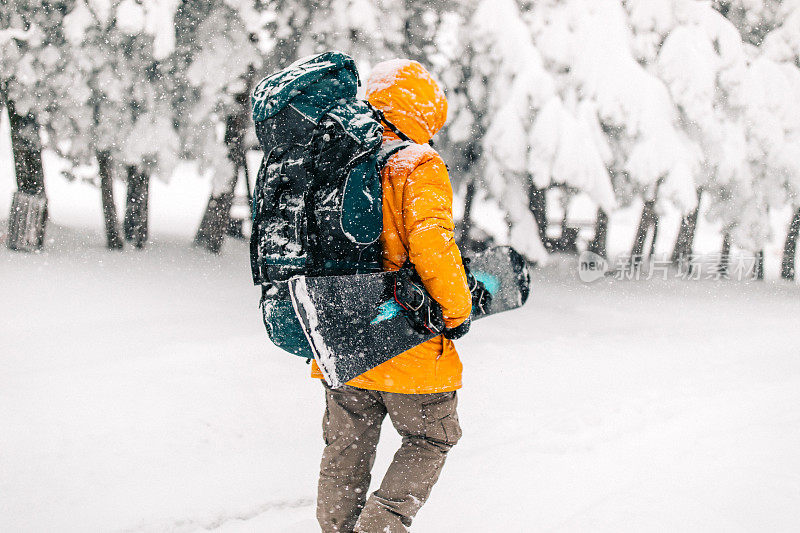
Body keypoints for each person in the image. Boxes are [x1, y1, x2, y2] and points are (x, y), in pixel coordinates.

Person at [311, 59, 474, 533]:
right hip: (404, 335)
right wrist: (457, 309)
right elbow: (432, 245)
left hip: (339, 334)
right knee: (431, 436)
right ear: (422, 116)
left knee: (346, 446)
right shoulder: (416, 164)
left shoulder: (332, 157)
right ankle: (379, 526)